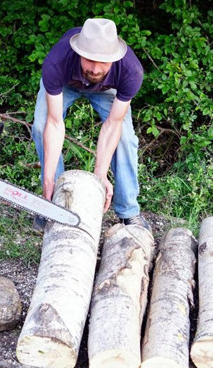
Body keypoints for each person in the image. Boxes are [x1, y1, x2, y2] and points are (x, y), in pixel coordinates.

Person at [32, 18, 150, 230]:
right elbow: (54, 122)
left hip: (107, 89)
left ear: (114, 58)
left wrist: (100, 175)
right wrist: (48, 179)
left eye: (103, 62)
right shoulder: (57, 61)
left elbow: (113, 124)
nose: (95, 69)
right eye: (89, 60)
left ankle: (128, 212)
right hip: (66, 85)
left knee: (124, 137)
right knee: (41, 126)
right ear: (79, 53)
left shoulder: (130, 70)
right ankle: (54, 202)